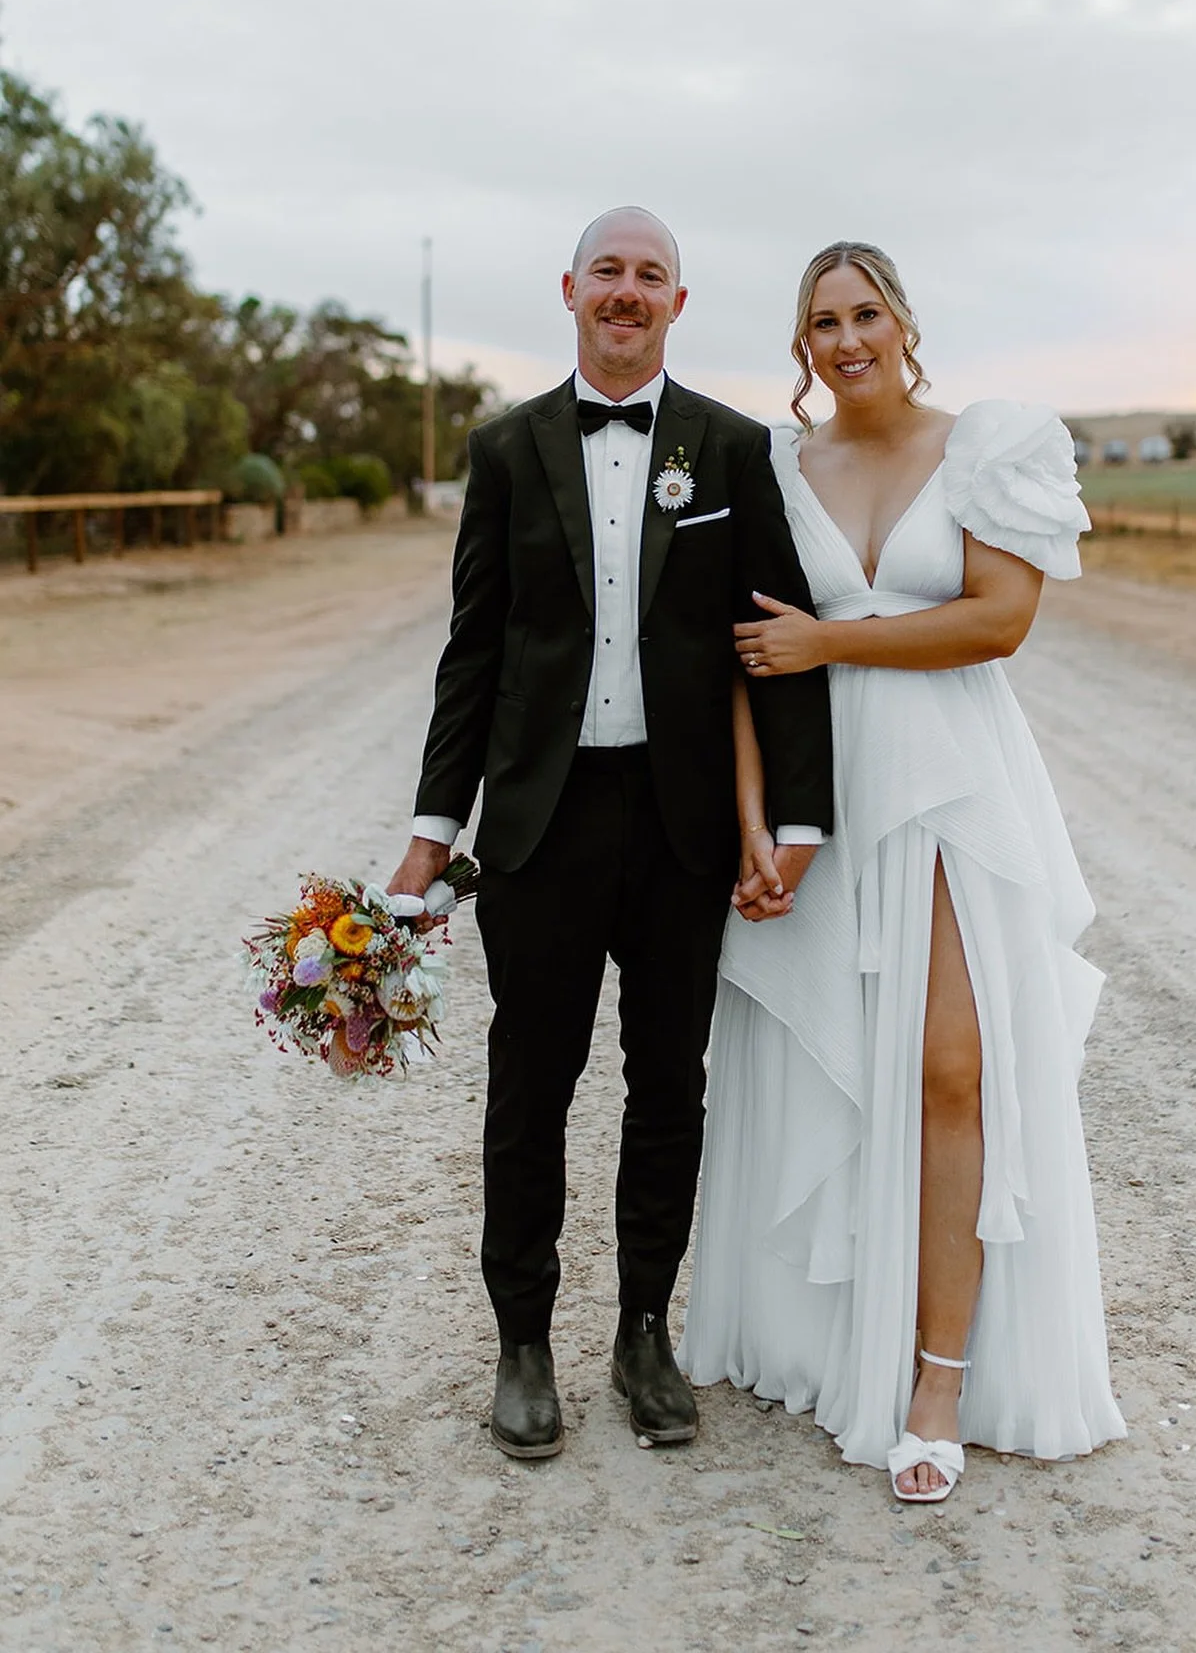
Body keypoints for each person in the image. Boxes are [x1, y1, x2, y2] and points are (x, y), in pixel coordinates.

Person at [678, 242, 1127, 1501]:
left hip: (951, 794)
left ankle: (939, 1377)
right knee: (829, 1066)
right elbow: (741, 655)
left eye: (864, 312)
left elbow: (1001, 617)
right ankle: (829, 1342)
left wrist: (836, 634)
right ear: (802, 344)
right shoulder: (777, 465)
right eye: (821, 320)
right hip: (826, 795)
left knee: (947, 1072)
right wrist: (757, 821)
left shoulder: (988, 444)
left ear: (903, 322)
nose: (844, 337)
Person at [387, 208, 833, 1461]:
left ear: (679, 304)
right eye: (609, 274)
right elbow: (473, 653)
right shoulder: (507, 449)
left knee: (667, 1087)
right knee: (529, 1087)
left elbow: (777, 640)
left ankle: (644, 1329)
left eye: (651, 276)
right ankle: (520, 1343)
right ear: (570, 291)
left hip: (682, 823)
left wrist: (793, 820)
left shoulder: (734, 450)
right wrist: (435, 826)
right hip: (541, 820)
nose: (627, 293)